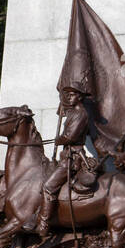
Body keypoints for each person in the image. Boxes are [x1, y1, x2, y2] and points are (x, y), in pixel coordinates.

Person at [37, 84, 97, 239]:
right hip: (66, 154)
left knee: (48, 186)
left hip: (72, 158)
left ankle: (44, 224)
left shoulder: (80, 113)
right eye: (67, 95)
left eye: (72, 95)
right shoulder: (72, 113)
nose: (68, 97)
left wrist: (59, 139)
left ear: (80, 97)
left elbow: (70, 137)